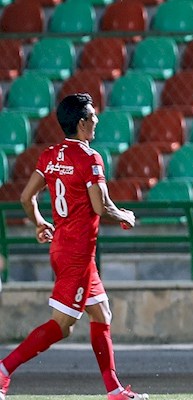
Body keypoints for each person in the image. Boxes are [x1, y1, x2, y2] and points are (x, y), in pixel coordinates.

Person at [0, 94, 149, 400]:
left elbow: (26, 198)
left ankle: (114, 390)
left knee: (101, 313)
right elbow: (99, 205)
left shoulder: (50, 155)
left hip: (64, 249)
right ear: (82, 123)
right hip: (78, 254)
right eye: (93, 116)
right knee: (62, 326)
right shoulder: (90, 158)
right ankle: (2, 370)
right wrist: (125, 216)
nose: (96, 120)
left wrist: (40, 223)